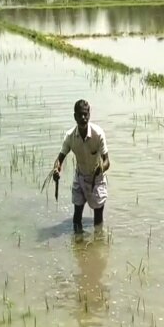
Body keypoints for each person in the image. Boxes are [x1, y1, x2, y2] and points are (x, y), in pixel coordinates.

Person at [52, 99, 110, 234]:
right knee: (77, 216)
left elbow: (107, 161)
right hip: (80, 176)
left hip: (97, 177)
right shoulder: (70, 136)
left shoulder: (98, 134)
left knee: (98, 216)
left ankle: (98, 242)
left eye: (85, 114)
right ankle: (78, 245)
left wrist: (101, 168)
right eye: (80, 115)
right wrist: (56, 169)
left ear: (89, 114)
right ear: (75, 117)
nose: (83, 118)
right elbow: (60, 158)